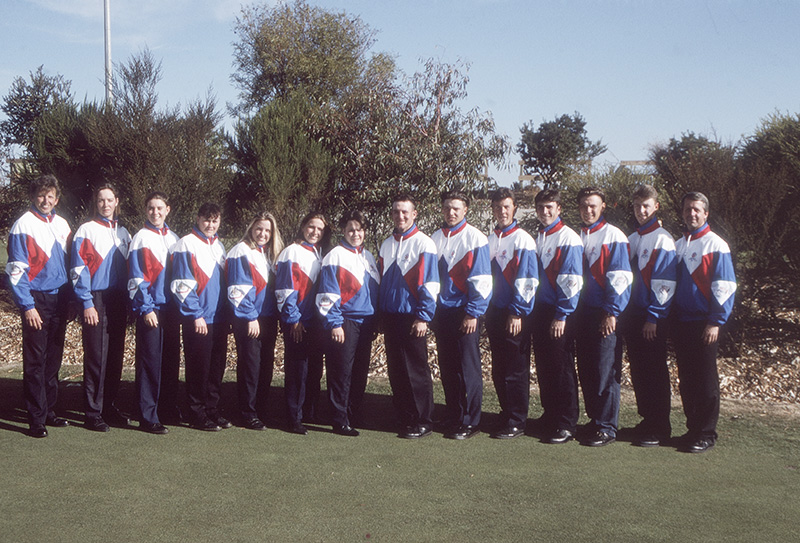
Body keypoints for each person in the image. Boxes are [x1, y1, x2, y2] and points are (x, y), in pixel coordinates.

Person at [6, 174, 71, 438]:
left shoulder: (63, 224)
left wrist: (74, 300)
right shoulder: (23, 225)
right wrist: (27, 305)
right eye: (42, 195)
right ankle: (36, 418)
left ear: (57, 198)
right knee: (36, 359)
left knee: (53, 358)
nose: (46, 200)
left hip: (61, 298)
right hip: (36, 299)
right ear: (34, 196)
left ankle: (48, 411)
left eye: (51, 195)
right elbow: (15, 272)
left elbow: (72, 266)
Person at [673, 191, 736, 453]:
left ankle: (706, 433)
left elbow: (725, 286)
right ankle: (692, 429)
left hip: (705, 323)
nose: (692, 213)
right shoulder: (679, 244)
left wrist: (715, 321)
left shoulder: (716, 244)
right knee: (687, 379)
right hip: (681, 322)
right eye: (688, 209)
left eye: (697, 209)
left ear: (706, 213)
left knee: (706, 380)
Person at [430, 190, 492, 440]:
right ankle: (454, 414)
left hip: (466, 312)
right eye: (447, 207)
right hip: (442, 312)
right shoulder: (434, 237)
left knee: (468, 368)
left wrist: (473, 313)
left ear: (466, 210)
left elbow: (482, 280)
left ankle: (471, 420)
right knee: (448, 366)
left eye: (456, 208)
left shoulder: (475, 237)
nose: (451, 212)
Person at [71, 183, 132, 432]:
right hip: (96, 299)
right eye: (100, 200)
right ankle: (92, 412)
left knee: (115, 356)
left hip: (119, 300)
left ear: (117, 201)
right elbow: (78, 270)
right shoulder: (86, 230)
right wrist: (86, 302)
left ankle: (108, 407)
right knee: (97, 357)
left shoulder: (125, 233)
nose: (105, 205)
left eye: (109, 200)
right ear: (96, 203)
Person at [378, 193, 440, 439]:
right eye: (396, 211)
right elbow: (382, 282)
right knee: (397, 370)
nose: (400, 216)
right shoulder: (386, 244)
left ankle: (423, 420)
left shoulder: (424, 243)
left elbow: (430, 284)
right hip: (391, 317)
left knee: (416, 370)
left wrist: (424, 316)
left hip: (413, 317)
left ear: (414, 214)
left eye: (405, 212)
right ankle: (404, 416)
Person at [620, 184, 677, 447]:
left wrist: (654, 316)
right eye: (637, 205)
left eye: (646, 205)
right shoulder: (633, 238)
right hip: (633, 316)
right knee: (640, 369)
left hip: (651, 317)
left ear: (656, 206)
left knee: (654, 370)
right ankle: (647, 419)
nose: (641, 210)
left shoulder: (663, 238)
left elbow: (665, 283)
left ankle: (660, 425)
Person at [575, 187, 632, 446]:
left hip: (604, 312)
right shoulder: (579, 235)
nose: (589, 210)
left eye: (593, 205)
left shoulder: (614, 236)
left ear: (603, 206)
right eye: (584, 206)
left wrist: (612, 312)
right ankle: (595, 419)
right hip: (582, 312)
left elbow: (620, 278)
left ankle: (607, 426)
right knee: (587, 368)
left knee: (605, 369)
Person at [316, 210, 380, 437]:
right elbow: (327, 294)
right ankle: (338, 418)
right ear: (343, 231)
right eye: (351, 229)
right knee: (341, 371)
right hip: (344, 322)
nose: (356, 233)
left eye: (360, 229)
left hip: (366, 323)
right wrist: (334, 323)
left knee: (360, 372)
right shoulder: (335, 255)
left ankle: (353, 413)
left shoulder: (368, 256)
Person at [531, 188, 584, 444]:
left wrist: (562, 315)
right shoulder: (541, 236)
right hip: (541, 311)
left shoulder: (569, 238)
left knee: (562, 367)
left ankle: (566, 422)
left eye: (550, 207)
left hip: (560, 311)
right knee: (545, 366)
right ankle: (550, 415)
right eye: (541, 207)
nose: (545, 212)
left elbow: (571, 281)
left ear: (559, 208)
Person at [171, 202, 229, 431]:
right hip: (199, 318)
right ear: (197, 218)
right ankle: (196, 413)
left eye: (215, 221)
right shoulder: (186, 243)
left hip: (219, 318)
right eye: (206, 219)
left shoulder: (220, 246)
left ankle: (211, 410)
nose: (210, 224)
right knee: (198, 368)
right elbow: (181, 285)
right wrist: (196, 314)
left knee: (216, 368)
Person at [485, 188, 538, 439]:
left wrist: (517, 312)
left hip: (514, 313)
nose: (502, 211)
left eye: (506, 206)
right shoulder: (489, 238)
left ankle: (517, 420)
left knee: (515, 368)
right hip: (494, 311)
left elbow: (527, 280)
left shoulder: (523, 239)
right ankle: (506, 413)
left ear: (514, 207)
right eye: (497, 207)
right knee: (499, 367)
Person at [128, 191, 181, 434]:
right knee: (150, 362)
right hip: (152, 309)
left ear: (167, 209)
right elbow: (136, 278)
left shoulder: (174, 238)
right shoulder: (140, 237)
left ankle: (167, 409)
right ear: (146, 210)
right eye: (151, 208)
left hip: (171, 310)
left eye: (160, 208)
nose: (155, 212)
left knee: (170, 361)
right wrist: (146, 307)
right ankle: (147, 415)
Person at [226, 212, 284, 431]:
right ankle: (247, 412)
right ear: (251, 228)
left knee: (265, 366)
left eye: (268, 230)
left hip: (268, 318)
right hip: (250, 317)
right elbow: (237, 289)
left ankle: (260, 410)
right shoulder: (241, 250)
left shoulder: (268, 253)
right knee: (251, 366)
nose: (263, 233)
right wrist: (250, 317)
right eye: (259, 228)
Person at [275, 212, 330, 435]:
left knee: (314, 370)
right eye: (311, 227)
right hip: (298, 321)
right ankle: (293, 418)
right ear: (303, 226)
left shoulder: (319, 253)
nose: (315, 232)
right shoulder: (291, 251)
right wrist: (293, 320)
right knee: (298, 370)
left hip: (316, 323)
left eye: (320, 229)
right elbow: (284, 290)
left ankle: (309, 411)